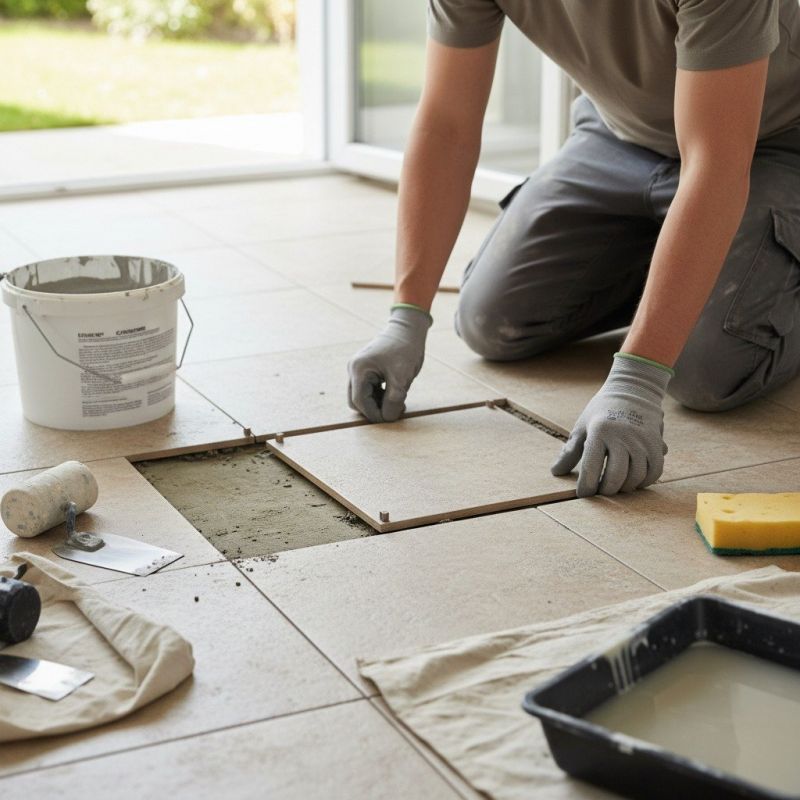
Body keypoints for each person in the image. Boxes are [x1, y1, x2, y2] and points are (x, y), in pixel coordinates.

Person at [347, 0, 800, 498]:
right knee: (492, 322)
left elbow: (715, 163)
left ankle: (749, 272)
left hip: (772, 142)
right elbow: (446, 125)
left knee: (708, 372)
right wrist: (406, 316)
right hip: (618, 134)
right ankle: (690, 262)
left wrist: (638, 378)